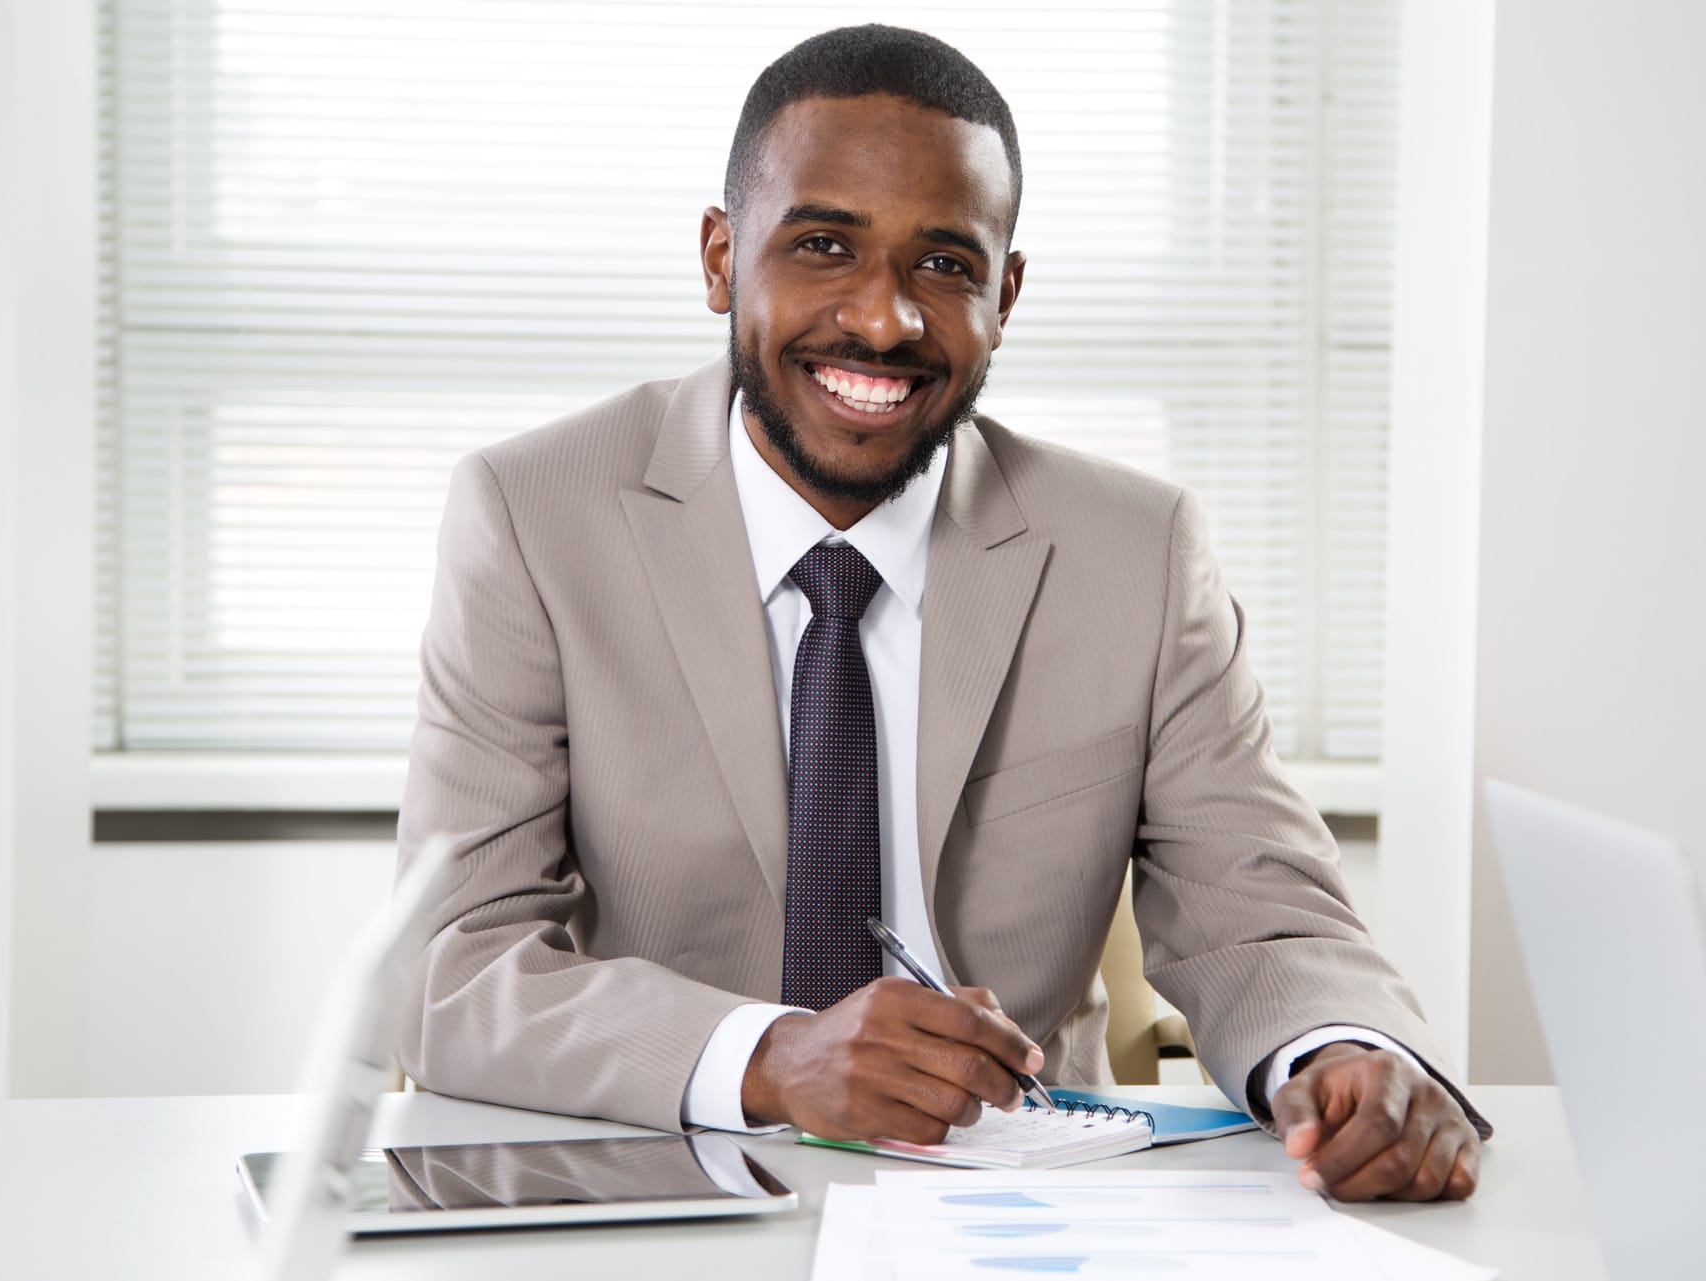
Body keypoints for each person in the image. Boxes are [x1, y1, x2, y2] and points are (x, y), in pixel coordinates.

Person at [397, 24, 1489, 1202]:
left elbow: (1262, 914)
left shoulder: (1135, 552)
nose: (883, 321)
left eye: (945, 265)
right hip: (664, 1188)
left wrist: (1343, 1053)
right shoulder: (534, 516)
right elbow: (452, 965)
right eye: (823, 246)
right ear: (721, 258)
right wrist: (768, 1057)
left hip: (1024, 1197)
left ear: (1005, 294)